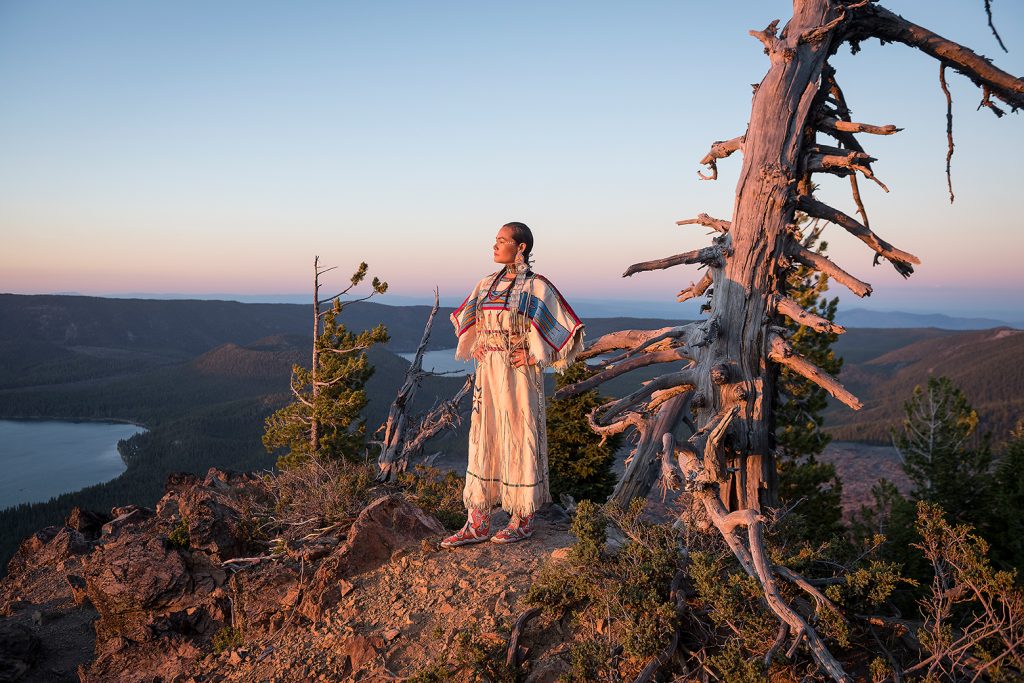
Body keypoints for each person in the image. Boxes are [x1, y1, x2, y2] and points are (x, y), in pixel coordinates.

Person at [441, 222, 584, 547]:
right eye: (495, 239)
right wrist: (476, 342)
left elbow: (569, 329)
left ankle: (522, 519)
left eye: (502, 240)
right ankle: (477, 522)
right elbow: (469, 321)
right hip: (488, 375)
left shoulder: (536, 287)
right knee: (483, 436)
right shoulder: (486, 284)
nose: (495, 245)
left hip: (518, 378)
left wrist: (537, 357)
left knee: (520, 436)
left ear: (521, 248)